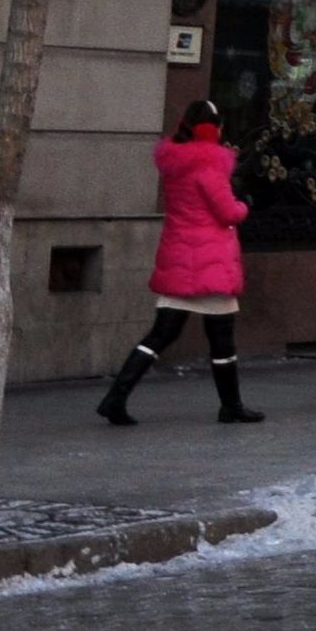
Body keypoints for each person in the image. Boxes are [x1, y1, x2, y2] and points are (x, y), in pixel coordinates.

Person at [100, 101, 263, 427]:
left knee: (162, 333)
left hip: (179, 256)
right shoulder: (208, 165)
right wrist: (245, 205)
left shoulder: (175, 163)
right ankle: (231, 405)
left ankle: (116, 396)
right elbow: (226, 212)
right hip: (209, 261)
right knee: (221, 338)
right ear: (212, 128)